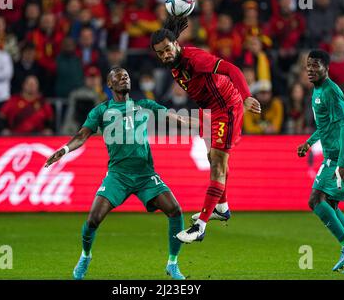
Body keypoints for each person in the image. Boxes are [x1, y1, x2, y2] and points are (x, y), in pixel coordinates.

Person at [45, 67, 189, 280]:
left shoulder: (143, 104)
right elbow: (82, 135)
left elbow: (168, 115)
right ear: (109, 84)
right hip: (118, 175)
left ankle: (172, 264)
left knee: (175, 210)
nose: (124, 78)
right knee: (93, 219)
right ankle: (85, 256)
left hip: (145, 175)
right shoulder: (101, 111)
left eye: (127, 76)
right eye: (118, 76)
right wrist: (64, 150)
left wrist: (188, 122)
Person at [150, 16, 261, 243]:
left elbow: (231, 69)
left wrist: (247, 96)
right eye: (160, 53)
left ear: (176, 45)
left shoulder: (195, 59)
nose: (165, 55)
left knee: (218, 163)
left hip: (227, 108)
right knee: (213, 158)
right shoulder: (175, 67)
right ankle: (222, 207)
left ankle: (200, 227)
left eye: (167, 50)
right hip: (212, 111)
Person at [297, 50, 344, 274]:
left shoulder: (332, 92)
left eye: (316, 65)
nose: (310, 69)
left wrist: (340, 163)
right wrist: (309, 143)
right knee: (327, 203)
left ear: (327, 68)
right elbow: (325, 126)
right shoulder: (317, 91)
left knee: (315, 200)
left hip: (342, 156)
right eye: (308, 65)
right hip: (333, 155)